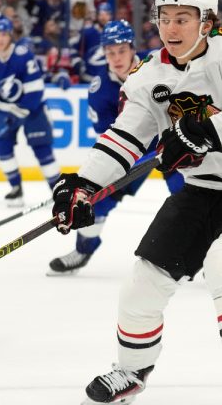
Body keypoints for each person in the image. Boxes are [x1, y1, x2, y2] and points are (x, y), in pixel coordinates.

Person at [51, 0, 222, 404]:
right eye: (164, 18)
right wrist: (85, 183)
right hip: (201, 191)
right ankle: (130, 371)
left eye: (183, 18)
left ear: (207, 21)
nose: (171, 28)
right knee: (143, 281)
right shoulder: (150, 73)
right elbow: (125, 136)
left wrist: (200, 131)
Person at [47, 20, 184, 276]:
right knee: (96, 202)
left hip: (174, 143)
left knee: (190, 193)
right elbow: (113, 138)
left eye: (121, 50)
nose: (116, 58)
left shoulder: (157, 65)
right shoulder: (99, 89)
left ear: (132, 48)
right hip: (133, 154)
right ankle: (83, 250)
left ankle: (207, 252)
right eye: (110, 52)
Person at [0, 18, 60, 207]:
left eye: (4, 35)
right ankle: (16, 188)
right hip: (5, 110)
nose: (0, 39)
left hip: (32, 109)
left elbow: (35, 89)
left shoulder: (22, 55)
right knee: (2, 147)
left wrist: (19, 114)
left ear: (10, 36)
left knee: (42, 149)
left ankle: (59, 192)